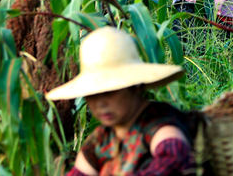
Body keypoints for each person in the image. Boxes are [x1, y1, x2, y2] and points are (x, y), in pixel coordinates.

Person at [47, 26, 193, 176]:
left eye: (109, 92)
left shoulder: (158, 121)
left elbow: (173, 158)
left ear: (135, 86)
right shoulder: (102, 139)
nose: (100, 104)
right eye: (92, 95)